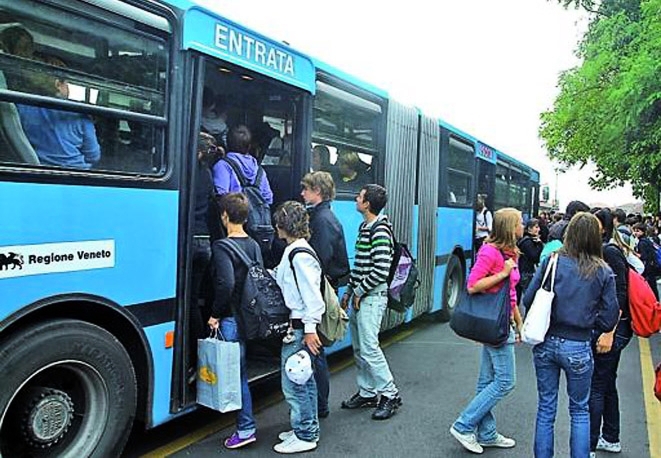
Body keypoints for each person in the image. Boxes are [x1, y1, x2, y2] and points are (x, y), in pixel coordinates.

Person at [522, 212, 620, 458]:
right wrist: (590, 317)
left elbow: (528, 298)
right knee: (579, 410)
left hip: (546, 342)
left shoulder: (552, 262)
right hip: (578, 344)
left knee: (546, 408)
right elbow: (610, 317)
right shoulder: (603, 272)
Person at [450, 208, 523, 454]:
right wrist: (502, 273)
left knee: (486, 382)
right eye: (520, 222)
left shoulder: (511, 252)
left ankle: (487, 433)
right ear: (510, 227)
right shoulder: (490, 251)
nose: (524, 226)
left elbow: (510, 294)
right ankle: (463, 425)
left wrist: (519, 322)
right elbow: (472, 285)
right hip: (494, 324)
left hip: (503, 321)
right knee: (505, 381)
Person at [340, 184, 402, 420]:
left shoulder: (380, 231)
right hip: (360, 297)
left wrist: (359, 292)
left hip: (372, 298)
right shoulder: (365, 226)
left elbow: (381, 270)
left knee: (370, 348)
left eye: (359, 196)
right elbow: (360, 265)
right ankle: (367, 392)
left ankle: (390, 394)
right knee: (360, 348)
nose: (356, 198)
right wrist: (348, 292)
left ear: (367, 204)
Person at [207, 192, 261, 449]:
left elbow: (226, 283)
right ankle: (245, 424)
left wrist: (215, 314)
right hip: (249, 318)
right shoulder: (254, 245)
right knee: (240, 373)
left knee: (236, 376)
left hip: (230, 318)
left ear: (225, 216)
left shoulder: (221, 246)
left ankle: (246, 427)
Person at [272, 201, 325, 453]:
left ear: (284, 225)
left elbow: (312, 296)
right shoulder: (296, 250)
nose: (275, 227)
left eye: (278, 222)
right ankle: (306, 427)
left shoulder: (299, 254)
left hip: (300, 328)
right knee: (305, 381)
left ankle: (305, 434)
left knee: (294, 383)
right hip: (302, 326)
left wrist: (310, 328)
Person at [300, 171, 350, 418]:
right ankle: (319, 403)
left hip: (321, 290)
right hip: (326, 286)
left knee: (315, 349)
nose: (302, 193)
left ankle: (320, 404)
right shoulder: (325, 216)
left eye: (306, 189)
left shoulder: (321, 220)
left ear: (317, 191)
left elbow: (317, 261)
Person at [590, 208, 633, 456]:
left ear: (603, 228)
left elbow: (619, 296)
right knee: (606, 384)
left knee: (597, 385)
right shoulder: (608, 250)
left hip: (614, 329)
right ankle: (611, 437)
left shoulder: (609, 252)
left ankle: (591, 443)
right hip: (615, 328)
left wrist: (609, 332)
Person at [16, 56, 101, 169]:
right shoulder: (79, 114)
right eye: (66, 83)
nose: (68, 88)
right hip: (78, 175)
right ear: (58, 84)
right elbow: (93, 156)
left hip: (38, 171)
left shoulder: (21, 107)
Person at [187, 132, 217, 383]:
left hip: (189, 240)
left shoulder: (186, 169)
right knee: (195, 300)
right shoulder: (207, 174)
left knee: (186, 302)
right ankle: (198, 356)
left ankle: (191, 357)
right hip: (205, 241)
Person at [212, 124, 273, 202]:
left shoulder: (222, 166)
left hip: (233, 213)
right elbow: (268, 198)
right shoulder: (259, 170)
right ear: (249, 146)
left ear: (227, 143)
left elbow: (220, 196)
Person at [517, 218, 543, 312]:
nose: (538, 229)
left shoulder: (527, 240)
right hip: (526, 272)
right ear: (529, 229)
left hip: (524, 271)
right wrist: (539, 244)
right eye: (536, 227)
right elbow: (535, 257)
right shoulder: (527, 242)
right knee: (529, 297)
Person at [633, 222, 660, 300]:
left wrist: (634, 253)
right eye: (634, 230)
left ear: (643, 232)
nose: (635, 233)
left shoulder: (642, 243)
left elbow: (643, 256)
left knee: (650, 287)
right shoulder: (647, 240)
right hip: (652, 266)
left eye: (638, 231)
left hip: (648, 269)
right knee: (653, 287)